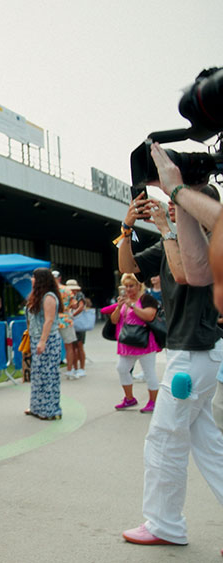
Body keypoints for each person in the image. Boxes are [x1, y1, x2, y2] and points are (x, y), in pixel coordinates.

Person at [118, 142, 223, 549]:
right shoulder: (175, 234)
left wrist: (167, 226)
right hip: (194, 353)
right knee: (208, 444)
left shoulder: (202, 222)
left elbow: (186, 273)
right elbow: (128, 268)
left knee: (164, 439)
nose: (169, 203)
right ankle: (165, 523)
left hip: (192, 354)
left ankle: (164, 524)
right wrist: (127, 228)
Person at [99, 273, 160, 413]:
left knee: (149, 372)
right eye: (125, 286)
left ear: (139, 286)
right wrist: (118, 307)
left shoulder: (147, 299)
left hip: (144, 342)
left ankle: (153, 401)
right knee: (122, 368)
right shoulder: (123, 301)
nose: (128, 289)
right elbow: (114, 320)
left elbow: (150, 316)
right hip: (127, 342)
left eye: (131, 286)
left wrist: (132, 306)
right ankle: (129, 398)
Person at [24, 267, 63, 420]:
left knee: (48, 375)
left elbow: (49, 320)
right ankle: (36, 407)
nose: (31, 280)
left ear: (40, 280)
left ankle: (50, 409)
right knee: (38, 374)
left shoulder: (49, 297)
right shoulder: (36, 296)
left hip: (47, 340)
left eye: (34, 277)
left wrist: (42, 341)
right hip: (36, 339)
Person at [52, 270, 78, 378]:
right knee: (69, 346)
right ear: (60, 278)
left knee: (53, 346)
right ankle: (70, 370)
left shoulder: (48, 291)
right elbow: (74, 306)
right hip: (66, 320)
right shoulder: (67, 290)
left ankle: (53, 370)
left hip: (52, 320)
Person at [65, 279, 87, 379]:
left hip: (78, 322)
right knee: (72, 347)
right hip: (70, 323)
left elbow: (81, 307)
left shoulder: (79, 295)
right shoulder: (66, 296)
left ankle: (81, 368)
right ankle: (74, 367)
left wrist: (72, 315)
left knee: (79, 345)